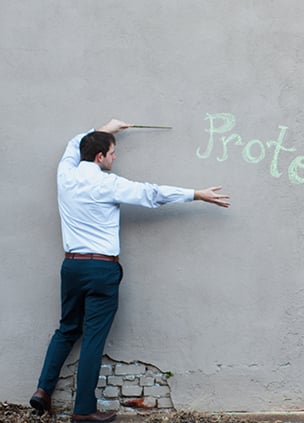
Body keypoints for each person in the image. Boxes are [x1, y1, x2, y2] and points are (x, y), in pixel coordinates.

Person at [29, 120, 231, 423]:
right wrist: (196, 194)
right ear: (100, 157)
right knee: (93, 338)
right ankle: (83, 410)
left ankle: (43, 390)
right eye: (112, 152)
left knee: (67, 328)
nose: (114, 157)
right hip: (102, 269)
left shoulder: (66, 175)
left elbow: (74, 144)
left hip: (71, 266)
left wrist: (106, 128)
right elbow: (152, 194)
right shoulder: (109, 184)